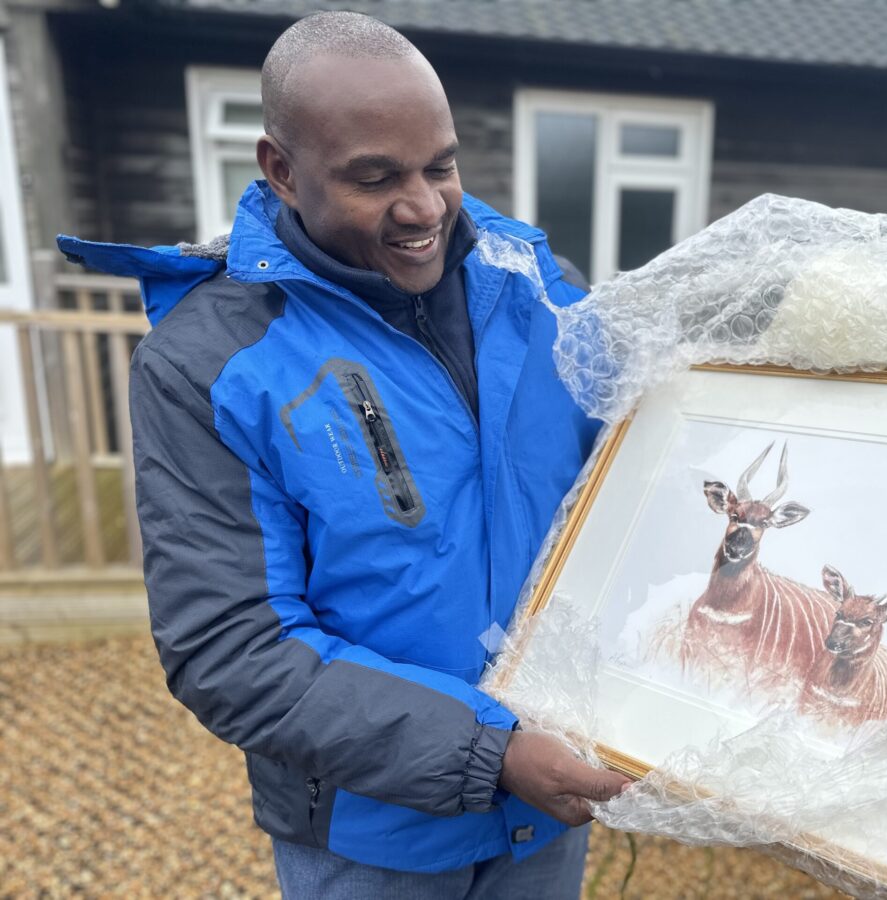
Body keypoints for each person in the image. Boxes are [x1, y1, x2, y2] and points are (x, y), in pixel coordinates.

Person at [57, 10, 630, 898]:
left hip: (544, 817)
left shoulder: (532, 284)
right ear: (281, 170)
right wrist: (494, 753)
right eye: (374, 178)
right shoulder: (207, 364)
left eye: (440, 165)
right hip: (370, 840)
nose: (423, 208)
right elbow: (232, 646)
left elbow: (638, 468)